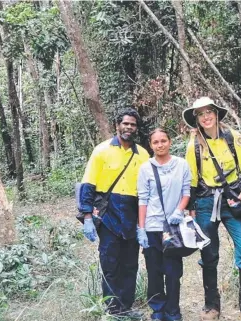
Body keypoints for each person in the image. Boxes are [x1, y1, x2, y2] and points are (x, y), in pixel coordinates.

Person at [183, 97, 241, 321]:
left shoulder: (232, 137)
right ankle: (212, 306)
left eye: (209, 111)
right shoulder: (194, 146)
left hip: (232, 201)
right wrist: (190, 210)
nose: (206, 117)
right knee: (208, 255)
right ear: (196, 119)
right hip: (205, 202)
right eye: (200, 114)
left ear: (216, 113)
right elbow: (190, 181)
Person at [78, 108, 150, 319]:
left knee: (130, 263)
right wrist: (87, 217)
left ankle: (125, 307)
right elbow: (88, 185)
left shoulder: (143, 154)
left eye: (133, 124)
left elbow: (147, 189)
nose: (129, 127)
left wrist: (142, 224)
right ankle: (112, 310)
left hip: (132, 212)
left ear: (137, 128)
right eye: (125, 123)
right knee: (110, 262)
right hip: (108, 212)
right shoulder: (102, 150)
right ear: (117, 125)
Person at [136, 128, 191, 321]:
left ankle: (173, 311)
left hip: (173, 228)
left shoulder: (182, 164)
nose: (160, 145)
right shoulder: (145, 168)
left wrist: (179, 210)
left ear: (170, 142)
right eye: (156, 142)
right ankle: (157, 310)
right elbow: (142, 199)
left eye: (163, 141)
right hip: (152, 226)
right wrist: (141, 228)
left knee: (173, 272)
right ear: (150, 145)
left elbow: (186, 192)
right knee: (154, 271)